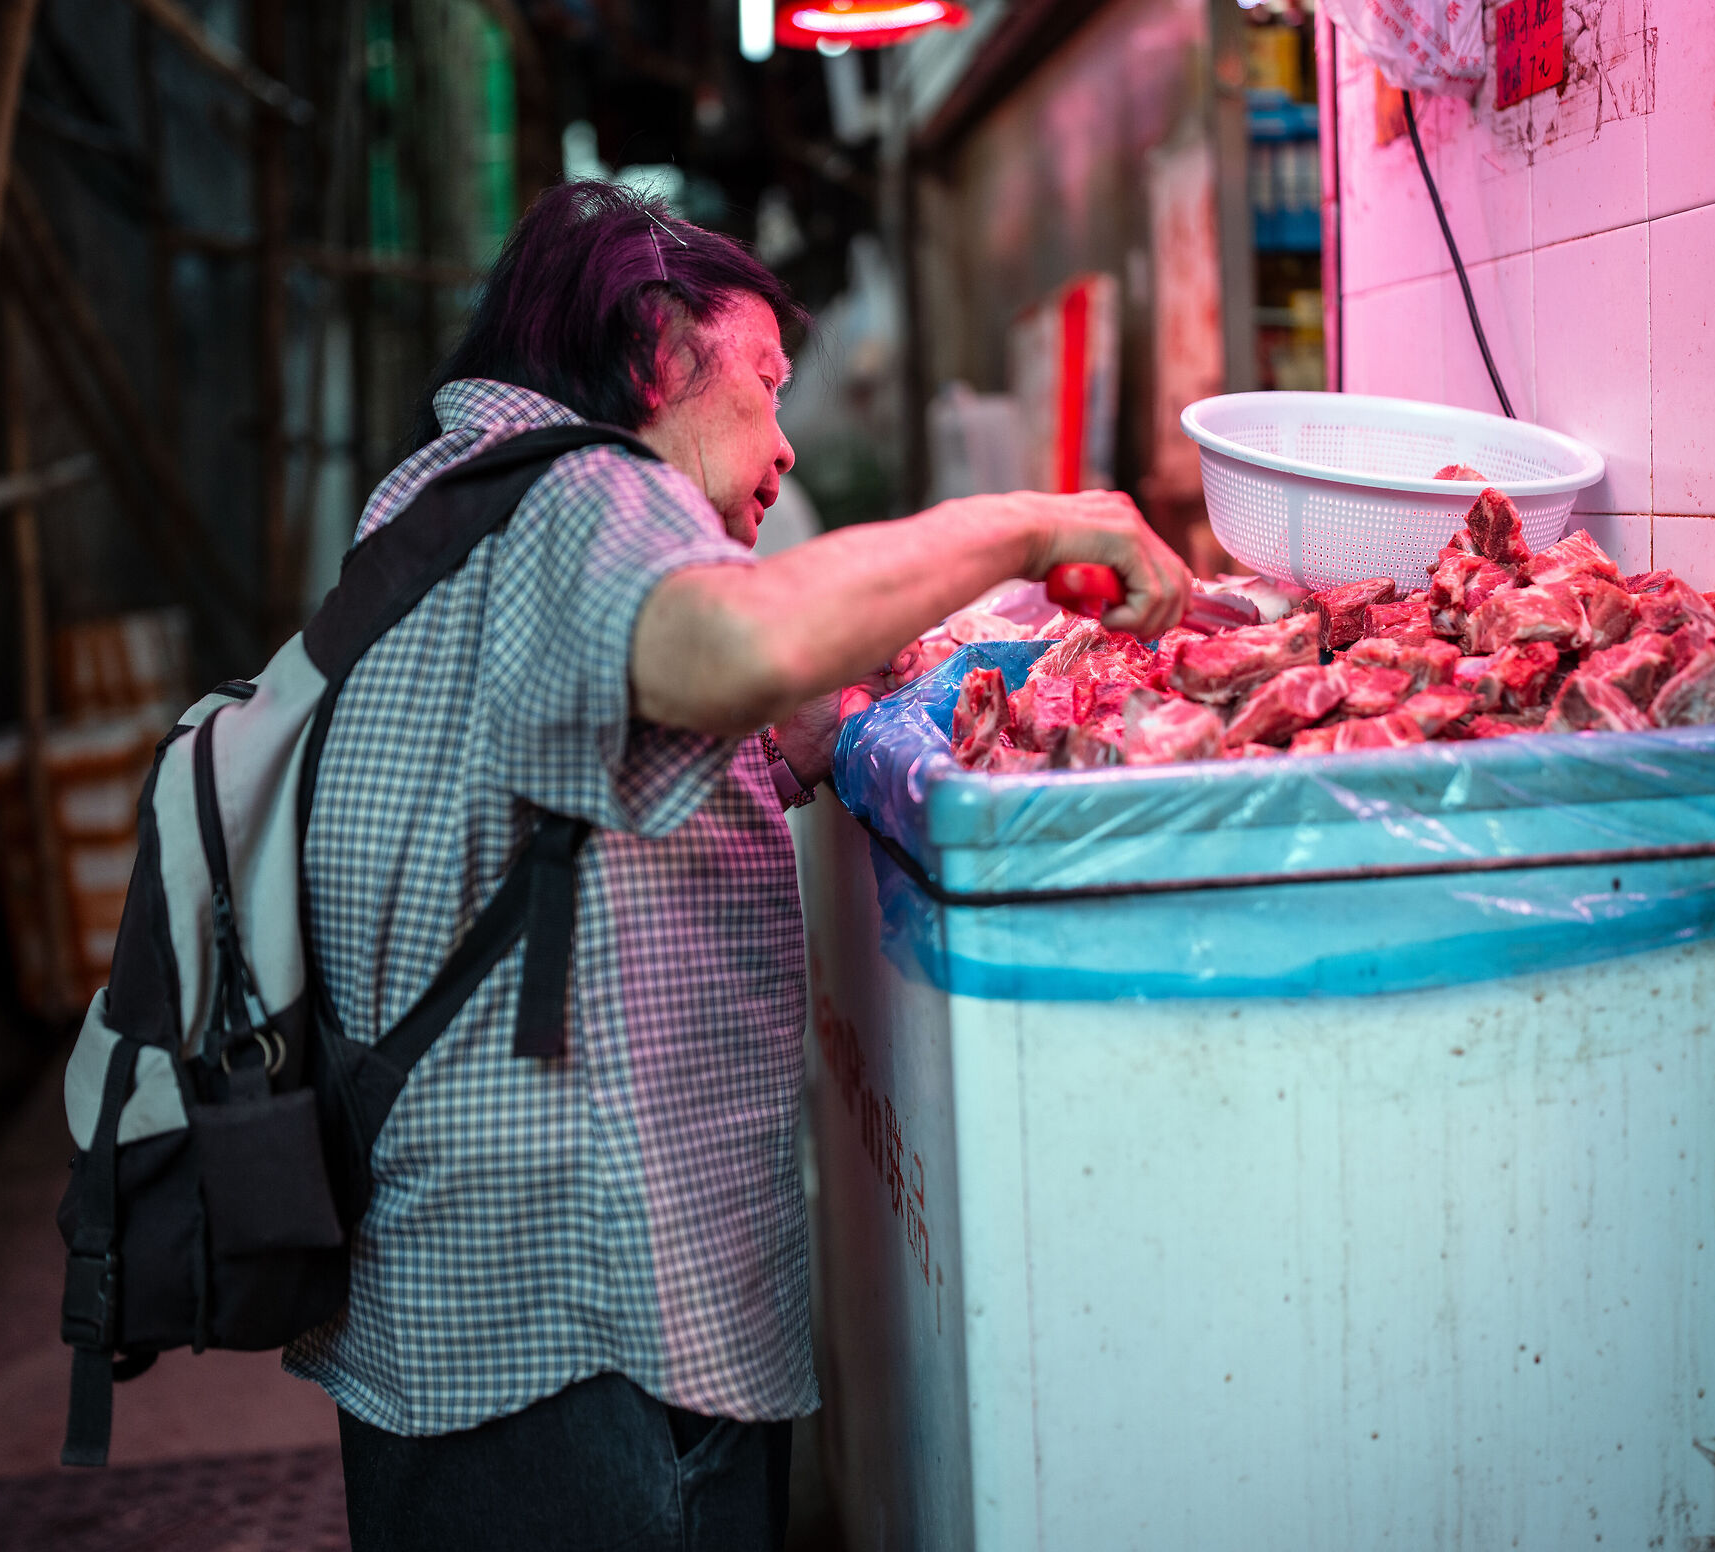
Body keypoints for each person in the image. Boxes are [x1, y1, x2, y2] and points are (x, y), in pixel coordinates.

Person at [289, 182, 1191, 1552]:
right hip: (576, 1341)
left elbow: (613, 807)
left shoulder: (445, 508)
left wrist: (880, 698)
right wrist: (1037, 526)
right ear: (657, 350)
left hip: (472, 1323)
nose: (780, 444)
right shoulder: (583, 490)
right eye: (765, 382)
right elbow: (744, 650)